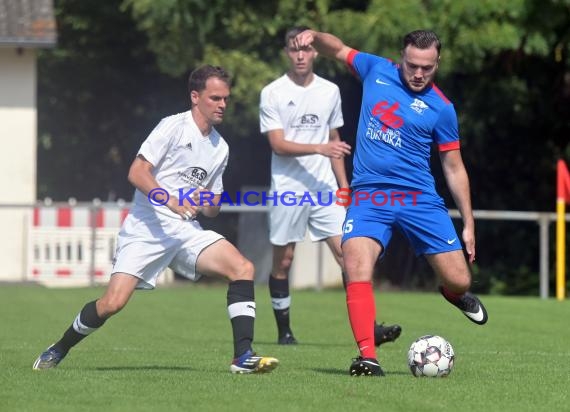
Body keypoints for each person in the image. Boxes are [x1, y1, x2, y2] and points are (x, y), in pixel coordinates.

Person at [32, 65, 278, 374]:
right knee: (112, 303)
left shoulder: (220, 147)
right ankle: (60, 347)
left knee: (243, 268)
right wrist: (171, 201)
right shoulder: (172, 127)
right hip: (146, 229)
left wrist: (209, 203)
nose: (222, 105)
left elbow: (214, 206)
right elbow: (136, 172)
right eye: (215, 98)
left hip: (185, 232)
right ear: (195, 97)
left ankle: (242, 357)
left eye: (226, 99)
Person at [293, 29, 488, 376]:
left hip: (419, 199)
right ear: (401, 57)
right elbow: (338, 48)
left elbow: (454, 166)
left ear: (437, 63)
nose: (418, 74)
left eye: (427, 68)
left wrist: (469, 223)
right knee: (354, 261)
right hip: (370, 195)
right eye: (412, 65)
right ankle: (367, 356)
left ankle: (454, 294)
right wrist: (314, 37)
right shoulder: (374, 69)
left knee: (460, 280)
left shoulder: (442, 109)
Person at [259, 26, 402, 346]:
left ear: (314, 53)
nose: (300, 55)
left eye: (306, 49)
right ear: (286, 52)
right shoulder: (273, 92)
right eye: (294, 49)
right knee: (283, 261)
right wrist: (321, 148)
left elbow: (335, 143)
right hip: (288, 188)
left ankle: (370, 328)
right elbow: (278, 145)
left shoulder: (329, 91)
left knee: (350, 254)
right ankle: (284, 331)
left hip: (325, 188)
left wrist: (344, 186)